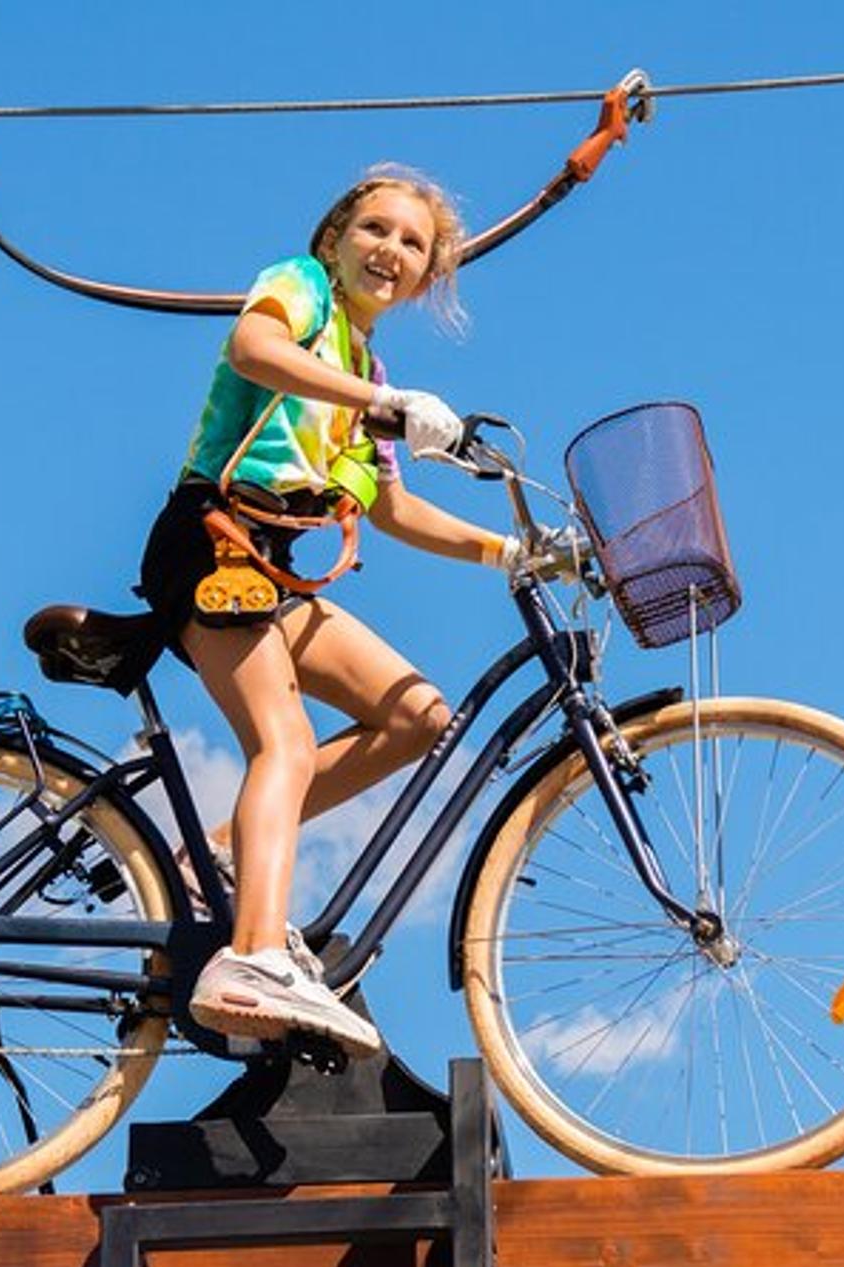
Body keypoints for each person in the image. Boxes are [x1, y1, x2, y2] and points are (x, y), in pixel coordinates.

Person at [136, 167, 520, 1058]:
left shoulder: (366, 367)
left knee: (419, 714)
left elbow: (392, 512)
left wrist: (510, 551)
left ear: (427, 276)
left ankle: (221, 856)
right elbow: (252, 350)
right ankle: (253, 955)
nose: (392, 250)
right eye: (375, 230)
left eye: (413, 244)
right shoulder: (301, 292)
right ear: (334, 239)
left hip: (272, 572)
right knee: (289, 742)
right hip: (210, 547)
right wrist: (383, 405)